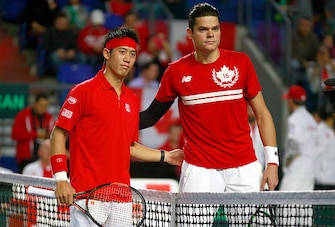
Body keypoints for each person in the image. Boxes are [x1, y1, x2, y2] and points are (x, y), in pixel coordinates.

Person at [49, 27, 184, 226]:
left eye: (132, 54)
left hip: (122, 197)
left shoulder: (131, 99)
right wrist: (61, 179)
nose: (127, 59)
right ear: (106, 53)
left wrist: (166, 156)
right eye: (122, 52)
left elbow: (129, 146)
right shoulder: (82, 92)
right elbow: (58, 134)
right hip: (88, 196)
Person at [139, 3, 279, 193]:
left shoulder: (241, 62)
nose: (211, 34)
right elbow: (151, 116)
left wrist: (272, 162)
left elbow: (262, 114)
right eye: (203, 29)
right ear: (190, 33)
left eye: (215, 29)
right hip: (199, 170)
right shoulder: (176, 71)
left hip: (244, 168)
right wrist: (113, 121)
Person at [280, 85, 318, 191]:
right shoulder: (311, 120)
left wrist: (288, 160)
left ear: (291, 100)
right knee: (304, 206)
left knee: (285, 206)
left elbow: (295, 143)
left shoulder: (293, 119)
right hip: (310, 172)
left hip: (295, 172)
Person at [11, 93, 55, 173]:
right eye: (41, 105)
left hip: (45, 158)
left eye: (46, 106)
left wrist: (47, 135)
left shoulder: (49, 118)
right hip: (26, 157)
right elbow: (15, 135)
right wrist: (35, 134)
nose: (43, 108)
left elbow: (55, 136)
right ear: (35, 103)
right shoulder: (23, 115)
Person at [313, 108, 335, 189]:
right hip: (327, 175)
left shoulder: (327, 130)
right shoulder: (324, 130)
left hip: (329, 176)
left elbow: (333, 152)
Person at [247, 105, 265, 171]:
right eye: (248, 109)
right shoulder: (240, 128)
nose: (251, 112)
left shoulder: (264, 127)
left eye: (253, 109)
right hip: (246, 170)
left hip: (261, 169)